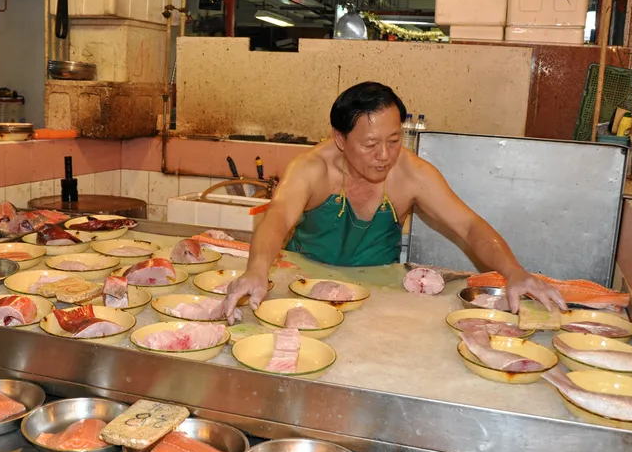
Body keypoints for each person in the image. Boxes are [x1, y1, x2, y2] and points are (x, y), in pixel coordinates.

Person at [223, 81, 566, 319]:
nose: (384, 155)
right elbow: (278, 217)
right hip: (302, 286)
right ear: (340, 139)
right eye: (370, 144)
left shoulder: (412, 173)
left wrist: (514, 271)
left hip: (380, 295)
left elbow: (469, 226)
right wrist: (256, 270)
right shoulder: (311, 168)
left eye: (393, 140)